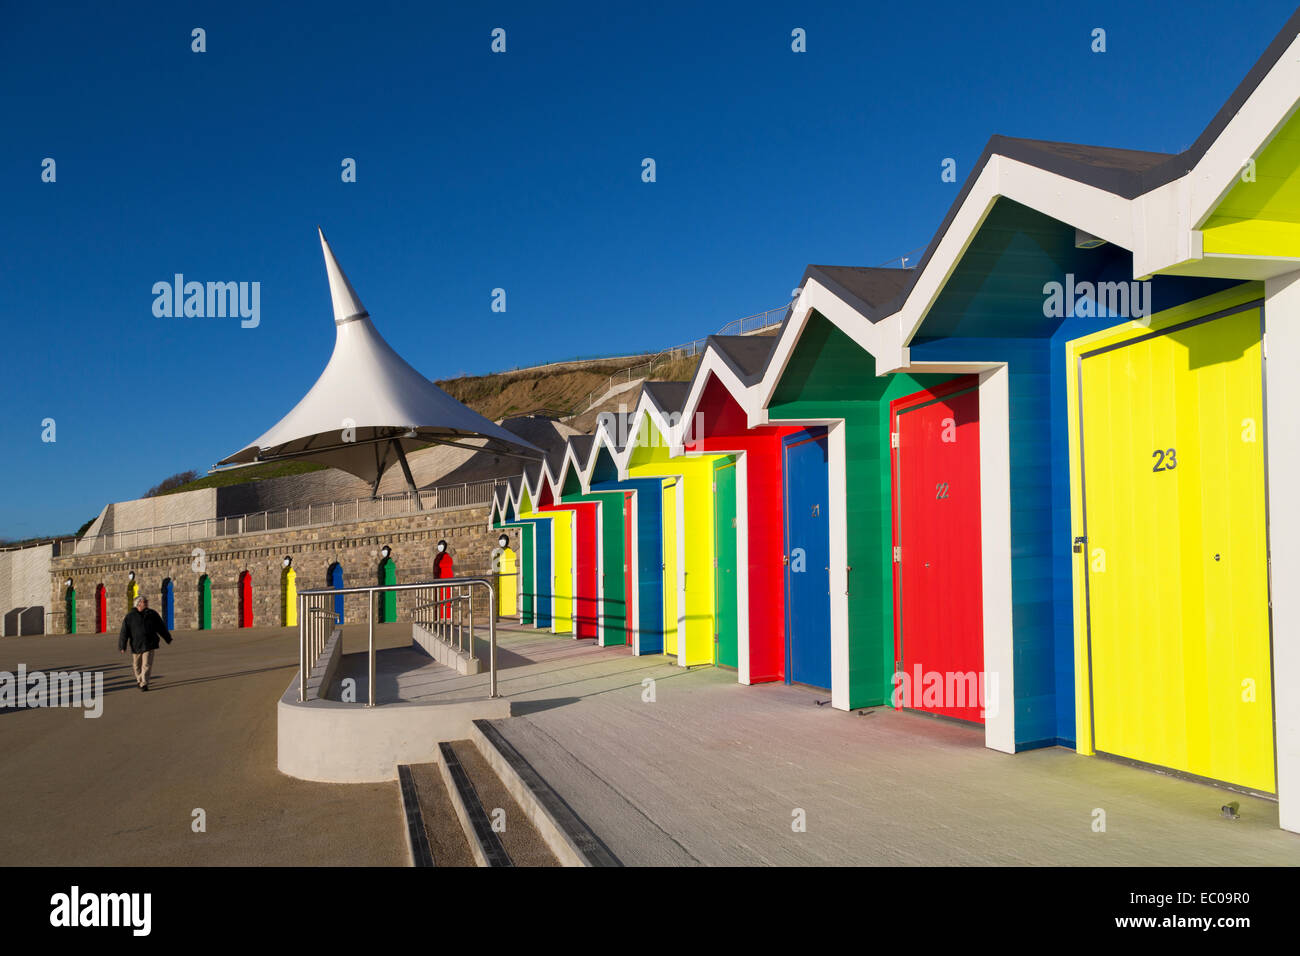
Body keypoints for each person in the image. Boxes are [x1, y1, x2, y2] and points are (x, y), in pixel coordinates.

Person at [118, 595, 172, 691]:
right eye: (145, 601)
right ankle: (139, 680)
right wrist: (122, 645)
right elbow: (124, 632)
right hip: (136, 645)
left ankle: (144, 683)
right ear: (139, 603)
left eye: (146, 601)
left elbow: (161, 627)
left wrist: (167, 638)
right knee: (136, 665)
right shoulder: (130, 616)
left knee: (146, 664)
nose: (147, 603)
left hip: (149, 643)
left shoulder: (152, 614)